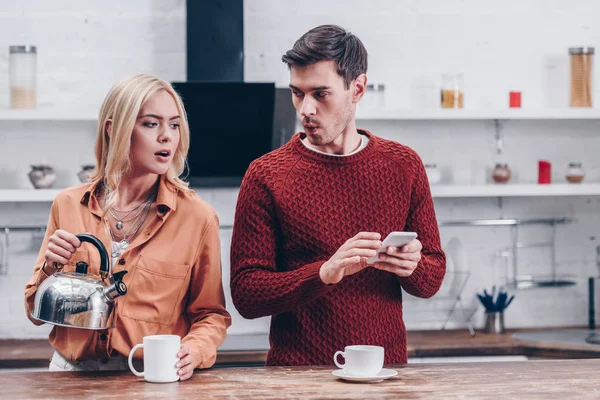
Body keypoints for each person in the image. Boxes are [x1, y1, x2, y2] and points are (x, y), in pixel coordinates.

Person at [230, 25, 445, 366]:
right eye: (297, 93)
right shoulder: (266, 175)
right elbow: (246, 293)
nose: (305, 110)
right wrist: (323, 274)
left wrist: (413, 267)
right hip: (297, 381)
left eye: (320, 94)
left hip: (384, 377)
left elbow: (432, 277)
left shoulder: (404, 165)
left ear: (357, 88)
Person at [24, 74, 231, 379]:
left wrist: (195, 350)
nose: (167, 137)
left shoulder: (198, 217)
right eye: (151, 123)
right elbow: (34, 311)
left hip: (149, 376)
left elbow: (210, 314)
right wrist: (51, 269)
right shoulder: (67, 205)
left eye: (174, 125)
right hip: (69, 376)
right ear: (114, 129)